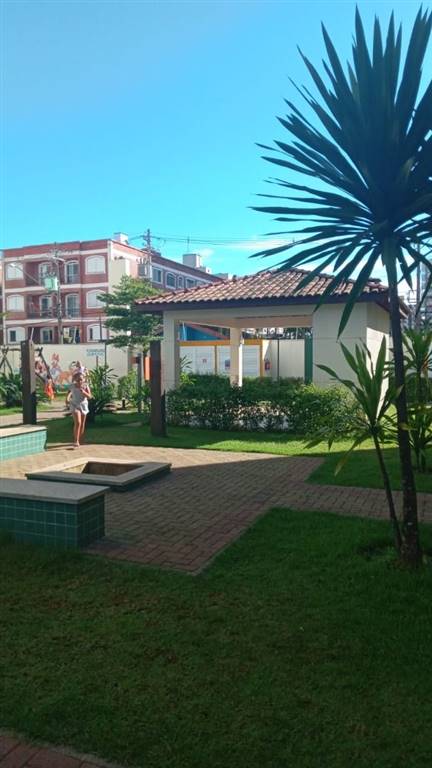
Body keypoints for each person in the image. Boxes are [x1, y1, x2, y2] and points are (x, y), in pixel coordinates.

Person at [66, 372, 92, 448]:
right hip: (74, 405)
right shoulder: (72, 386)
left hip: (83, 405)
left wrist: (84, 392)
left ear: (83, 379)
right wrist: (67, 399)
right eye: (78, 380)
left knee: (82, 423)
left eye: (81, 379)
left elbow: (90, 397)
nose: (79, 381)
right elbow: (69, 394)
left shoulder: (85, 386)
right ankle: (76, 441)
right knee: (78, 422)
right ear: (75, 380)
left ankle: (81, 439)